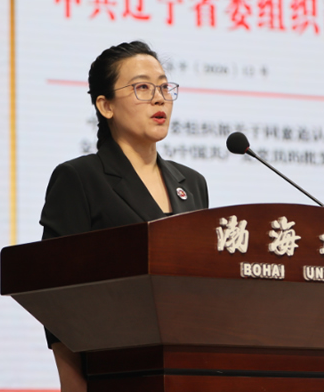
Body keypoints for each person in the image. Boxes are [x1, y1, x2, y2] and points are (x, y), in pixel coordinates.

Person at [38, 41, 209, 391]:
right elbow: (58, 296)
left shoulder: (192, 184)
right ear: (106, 106)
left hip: (187, 373)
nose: (160, 99)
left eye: (164, 87)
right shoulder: (80, 178)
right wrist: (72, 383)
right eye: (142, 88)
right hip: (115, 374)